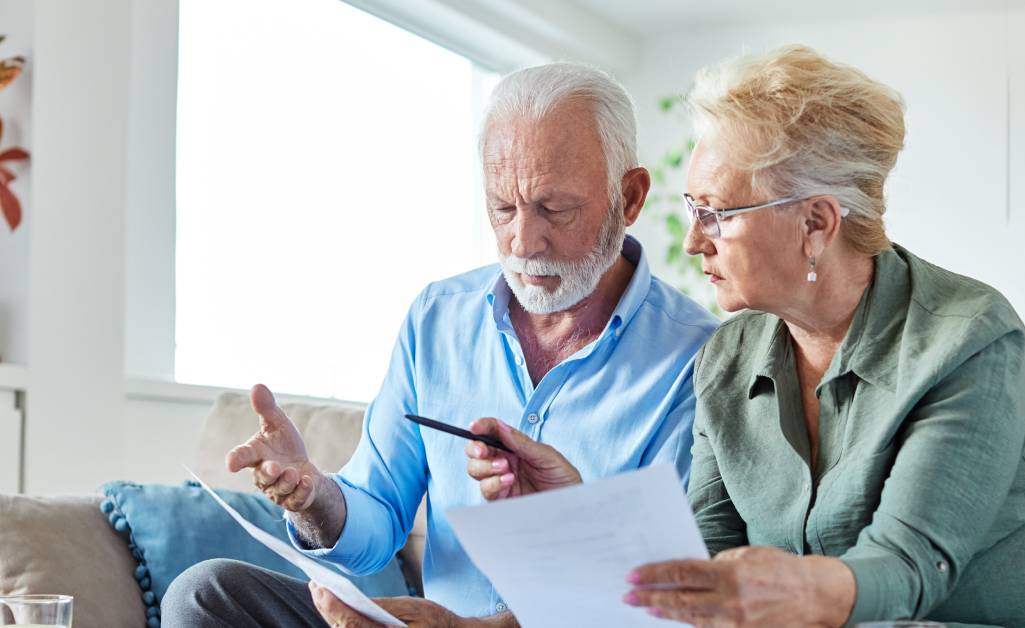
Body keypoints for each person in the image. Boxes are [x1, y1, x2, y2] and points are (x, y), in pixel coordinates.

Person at [466, 45, 1025, 627]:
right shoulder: (727, 357)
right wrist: (579, 513)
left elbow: (907, 570)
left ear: (816, 222)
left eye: (716, 213)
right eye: (693, 209)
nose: (694, 238)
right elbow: (702, 566)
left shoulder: (969, 341)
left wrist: (790, 590)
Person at [161, 62, 717, 628]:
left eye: (555, 208)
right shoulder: (437, 318)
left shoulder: (700, 358)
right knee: (205, 595)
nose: (523, 240)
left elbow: (669, 601)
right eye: (503, 207)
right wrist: (313, 497)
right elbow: (374, 526)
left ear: (629, 197)